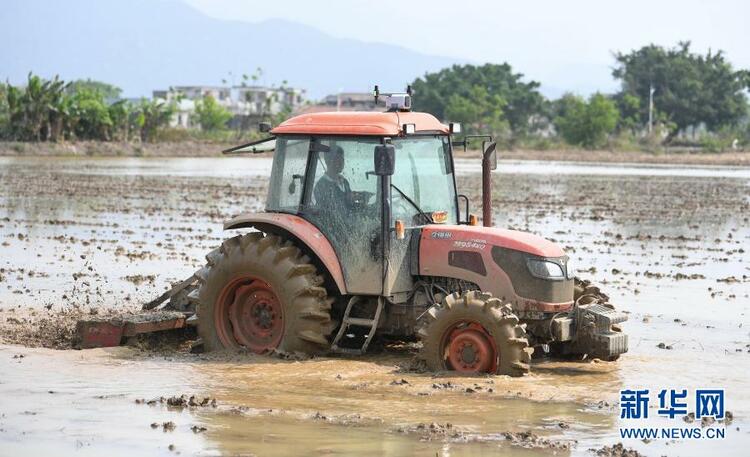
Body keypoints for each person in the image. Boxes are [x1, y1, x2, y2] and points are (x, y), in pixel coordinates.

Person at [314, 145, 352, 211]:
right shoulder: (321, 186)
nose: (341, 162)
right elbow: (329, 212)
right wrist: (347, 197)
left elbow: (349, 207)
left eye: (342, 159)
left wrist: (358, 199)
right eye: (337, 159)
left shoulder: (345, 182)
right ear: (327, 161)